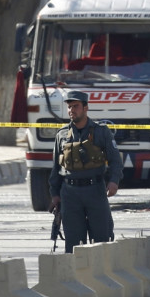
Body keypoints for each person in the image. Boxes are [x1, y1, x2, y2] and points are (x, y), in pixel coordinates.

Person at [48, 90, 123, 253]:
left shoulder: (102, 132)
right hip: (70, 194)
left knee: (102, 242)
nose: (71, 110)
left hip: (95, 191)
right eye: (69, 107)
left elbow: (116, 161)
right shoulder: (61, 135)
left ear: (86, 108)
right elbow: (56, 168)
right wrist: (54, 194)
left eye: (75, 106)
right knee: (74, 245)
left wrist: (113, 181)